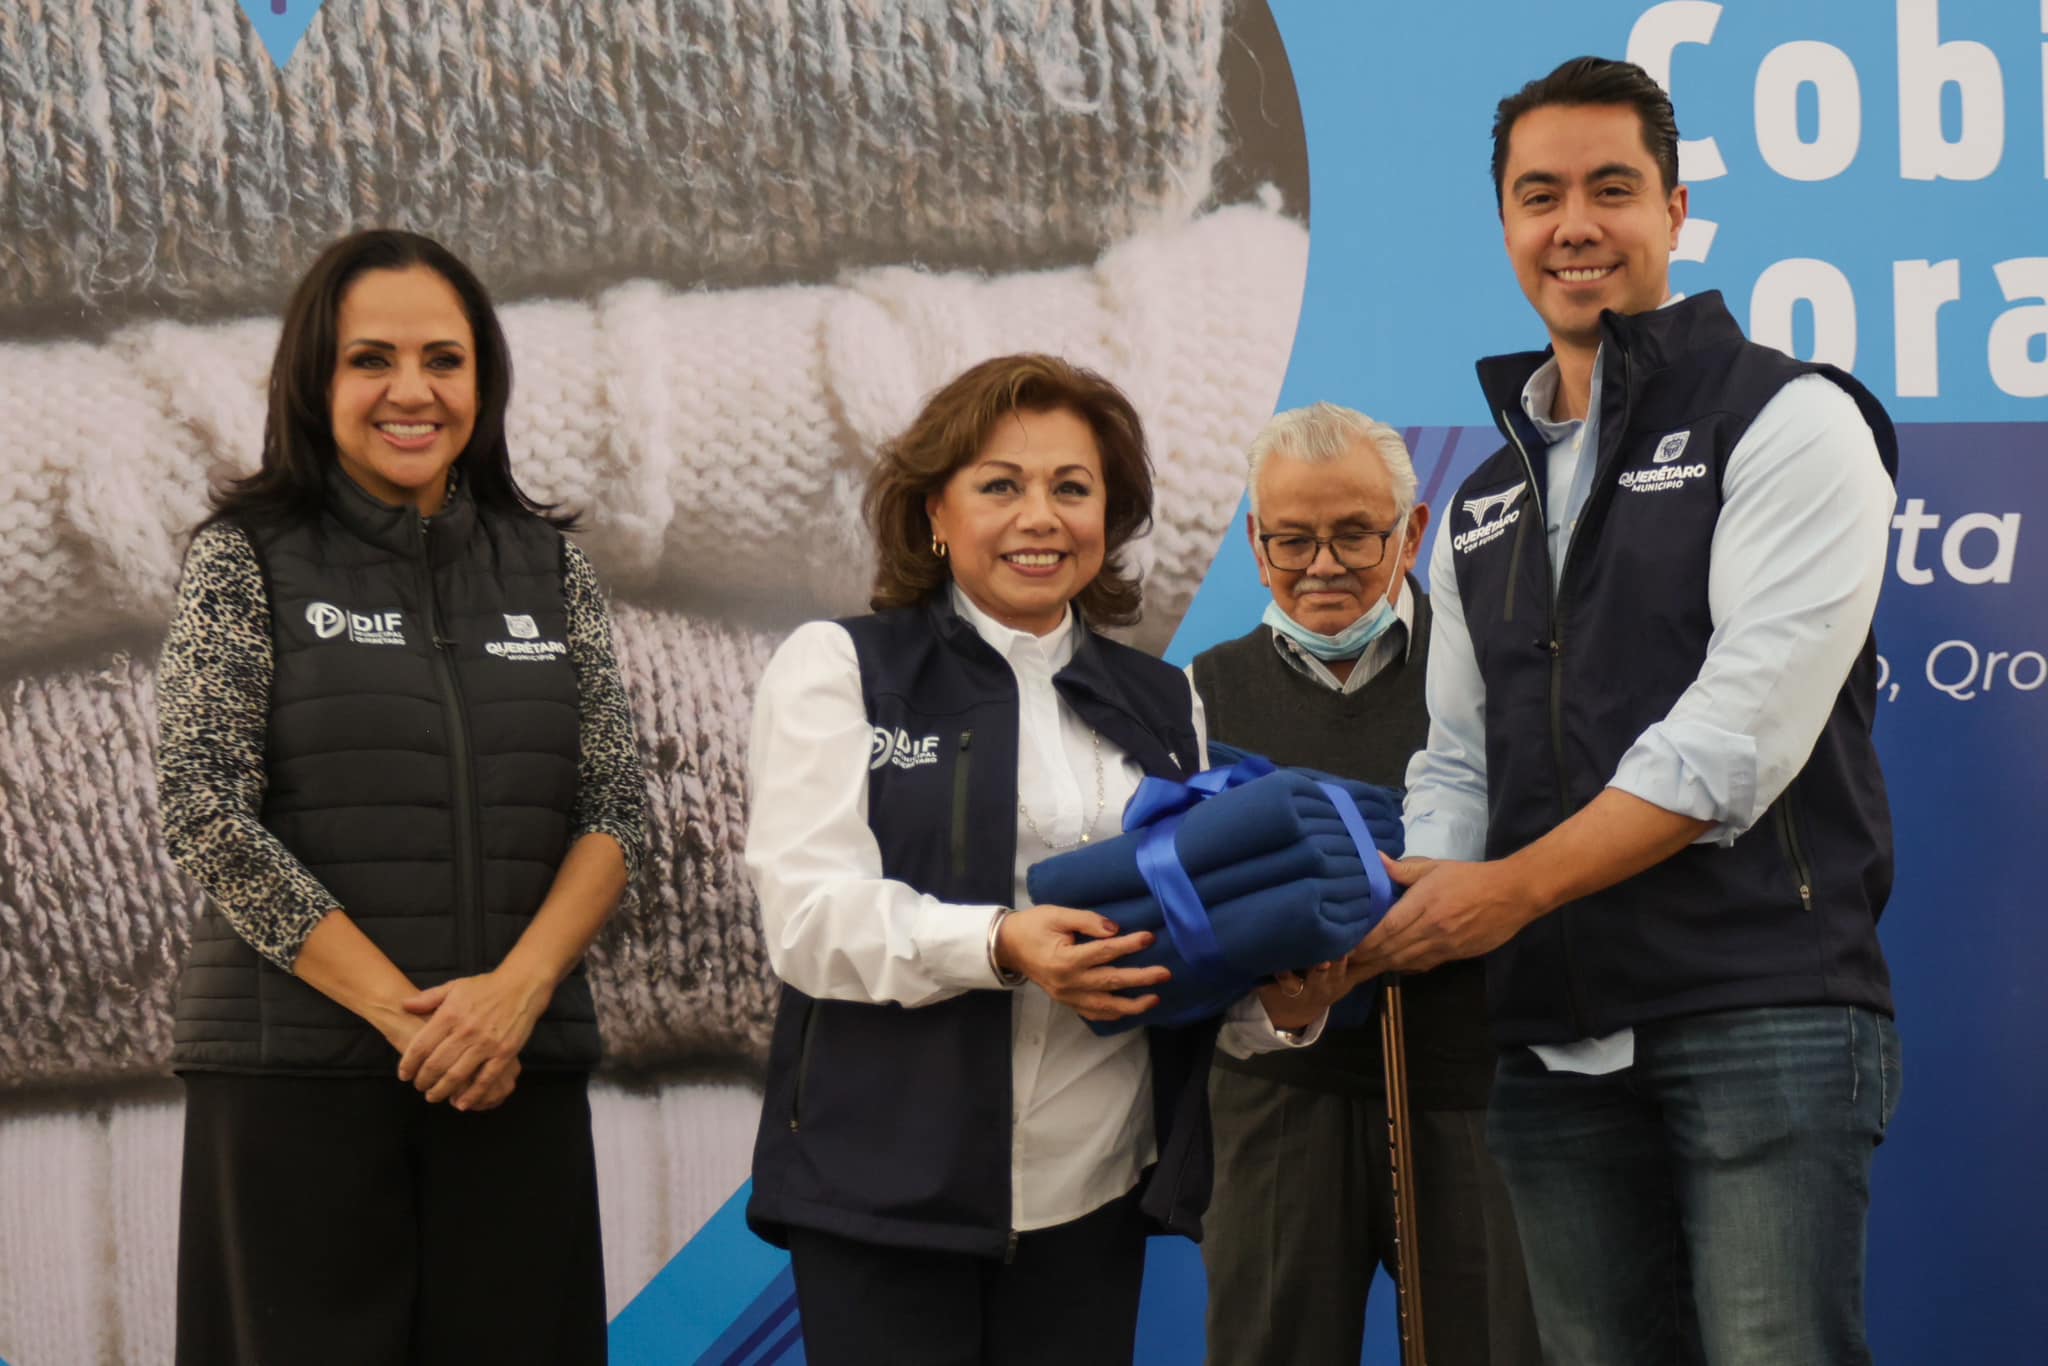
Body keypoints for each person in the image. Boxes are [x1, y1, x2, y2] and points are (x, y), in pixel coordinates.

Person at [1348, 57, 1902, 1366]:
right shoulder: (1483, 496)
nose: (1575, 225)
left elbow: (1733, 744)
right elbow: (1458, 756)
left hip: (1762, 1009)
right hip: (1552, 1042)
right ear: (1504, 226)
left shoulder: (1790, 417)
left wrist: (1507, 893)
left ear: (1676, 207)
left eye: (1612, 187)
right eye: (1540, 196)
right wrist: (1412, 906)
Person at [742, 353, 1349, 1366]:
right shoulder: (841, 667)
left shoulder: (1164, 701)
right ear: (934, 511)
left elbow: (1186, 935)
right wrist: (999, 943)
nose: (1039, 516)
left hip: (1092, 1189)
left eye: (1072, 488)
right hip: (883, 1189)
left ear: (1106, 519)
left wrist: (1282, 1002)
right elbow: (807, 918)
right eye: (999, 485)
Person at [156, 229, 645, 1366]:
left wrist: (511, 1000)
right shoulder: (246, 556)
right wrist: (406, 1017)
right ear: (315, 379)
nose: (411, 391)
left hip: (512, 1076)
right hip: (297, 1086)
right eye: (371, 359)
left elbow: (615, 807)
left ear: (485, 378)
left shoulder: (547, 567)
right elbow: (205, 810)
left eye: (445, 358)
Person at [1191, 403, 1540, 1366]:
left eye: (1355, 535)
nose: (1324, 566)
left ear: (1413, 534)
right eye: (1293, 540)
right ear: (1255, 545)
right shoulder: (1199, 694)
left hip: (1473, 1084)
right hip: (1275, 1094)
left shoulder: (1482, 680)